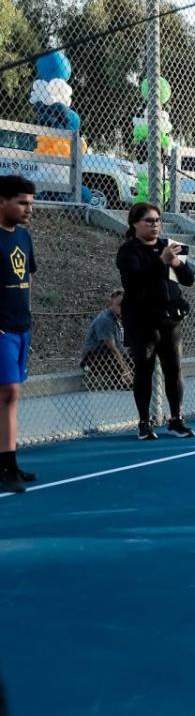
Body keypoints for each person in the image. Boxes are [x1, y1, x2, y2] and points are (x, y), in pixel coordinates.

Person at [116, 202, 195, 441]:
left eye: (157, 221)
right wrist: (160, 261)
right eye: (148, 221)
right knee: (144, 369)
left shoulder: (170, 247)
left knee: (174, 369)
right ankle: (144, 422)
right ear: (135, 223)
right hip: (142, 320)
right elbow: (134, 283)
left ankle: (176, 419)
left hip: (169, 320)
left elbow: (189, 279)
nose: (154, 225)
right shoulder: (128, 250)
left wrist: (176, 263)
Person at [0, 175, 38, 492]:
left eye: (30, 203)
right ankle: (6, 464)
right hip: (1, 330)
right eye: (22, 203)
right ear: (2, 201)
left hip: (20, 326)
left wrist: (27, 316)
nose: (28, 209)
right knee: (8, 392)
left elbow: (28, 277)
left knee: (12, 396)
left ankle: (9, 462)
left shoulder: (23, 237)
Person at [80, 290, 132, 389]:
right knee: (110, 350)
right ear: (111, 304)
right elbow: (112, 348)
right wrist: (126, 371)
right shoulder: (105, 320)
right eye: (120, 305)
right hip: (92, 359)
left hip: (108, 355)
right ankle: (121, 382)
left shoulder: (118, 319)